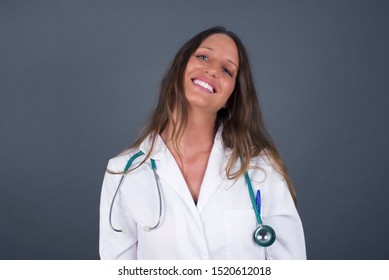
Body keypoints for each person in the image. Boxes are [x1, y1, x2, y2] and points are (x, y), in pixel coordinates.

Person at [99, 26, 306, 260]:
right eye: (203, 57)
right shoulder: (123, 172)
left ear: (232, 95)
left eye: (227, 70)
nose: (212, 70)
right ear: (180, 67)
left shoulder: (261, 168)